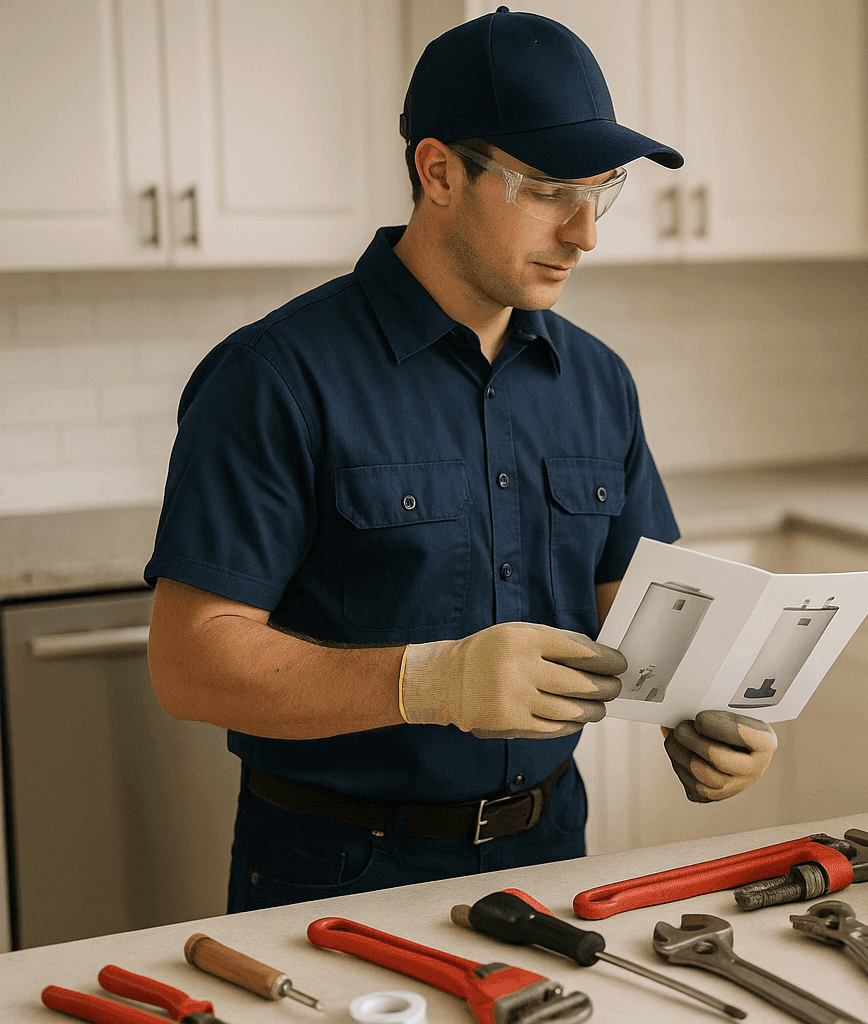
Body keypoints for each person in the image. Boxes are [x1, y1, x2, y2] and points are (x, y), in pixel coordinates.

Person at [144, 9, 776, 912]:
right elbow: (189, 663)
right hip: (336, 871)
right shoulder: (274, 377)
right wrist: (428, 681)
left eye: (601, 190)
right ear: (437, 170)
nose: (585, 232)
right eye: (550, 189)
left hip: (554, 852)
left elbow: (635, 612)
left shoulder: (598, 381)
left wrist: (705, 716)